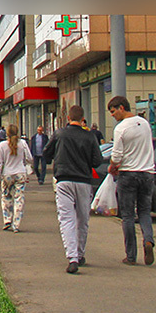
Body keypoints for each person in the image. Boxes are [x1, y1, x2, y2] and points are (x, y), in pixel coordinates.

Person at [42, 106, 103, 274]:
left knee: (66, 219)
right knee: (83, 219)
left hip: (63, 181)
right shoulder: (90, 136)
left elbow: (46, 153)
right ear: (83, 118)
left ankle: (72, 257)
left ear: (68, 117)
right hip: (83, 181)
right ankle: (81, 254)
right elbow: (97, 161)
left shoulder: (59, 134)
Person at [107, 95, 156, 266]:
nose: (113, 116)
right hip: (147, 173)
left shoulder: (121, 128)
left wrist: (112, 166)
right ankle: (148, 240)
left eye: (113, 112)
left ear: (121, 108)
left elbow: (117, 155)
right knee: (144, 211)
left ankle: (131, 255)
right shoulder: (144, 124)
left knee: (127, 215)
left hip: (128, 174)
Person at [0, 124, 33, 233]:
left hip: (7, 175)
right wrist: (25, 165)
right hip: (20, 174)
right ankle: (16, 224)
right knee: (19, 198)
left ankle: (7, 220)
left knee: (6, 197)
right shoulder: (23, 144)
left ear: (6, 134)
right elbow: (30, 158)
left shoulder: (2, 145)